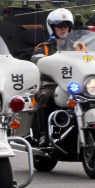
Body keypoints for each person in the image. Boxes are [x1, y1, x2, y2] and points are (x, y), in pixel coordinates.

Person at [32, 8, 85, 147]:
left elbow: (89, 60)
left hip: (74, 84)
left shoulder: (77, 46)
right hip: (51, 85)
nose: (63, 29)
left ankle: (94, 129)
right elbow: (36, 64)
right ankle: (43, 134)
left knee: (94, 95)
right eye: (60, 26)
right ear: (52, 28)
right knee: (43, 95)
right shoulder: (43, 48)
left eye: (66, 26)